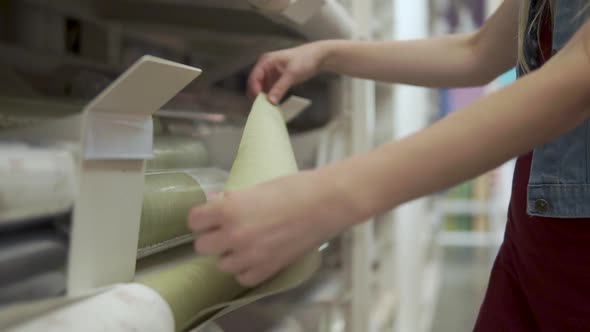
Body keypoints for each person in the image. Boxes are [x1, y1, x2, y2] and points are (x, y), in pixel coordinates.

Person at [189, 0, 590, 329]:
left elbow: (574, 83)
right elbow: (475, 52)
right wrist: (329, 53)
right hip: (529, 254)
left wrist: (326, 199)